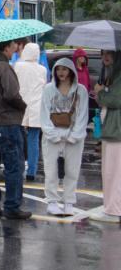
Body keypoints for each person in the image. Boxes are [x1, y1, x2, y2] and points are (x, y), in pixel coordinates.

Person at [0, 38, 32, 219]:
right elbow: (11, 94)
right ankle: (12, 207)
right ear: (6, 47)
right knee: (13, 166)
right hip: (6, 122)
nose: (15, 48)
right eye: (13, 45)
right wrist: (22, 106)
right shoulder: (3, 67)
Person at [39, 58, 89, 216]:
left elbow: (82, 115)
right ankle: (52, 202)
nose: (61, 72)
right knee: (51, 170)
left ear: (71, 71)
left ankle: (69, 202)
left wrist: (74, 136)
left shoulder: (81, 90)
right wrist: (53, 135)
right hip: (51, 137)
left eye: (65, 69)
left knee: (72, 170)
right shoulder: (48, 89)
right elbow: (44, 114)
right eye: (58, 69)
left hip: (74, 137)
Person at [92, 50, 121, 220]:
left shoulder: (118, 74)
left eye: (110, 53)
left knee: (113, 171)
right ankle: (112, 208)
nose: (105, 57)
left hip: (116, 130)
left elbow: (116, 100)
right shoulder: (112, 73)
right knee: (111, 170)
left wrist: (101, 92)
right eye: (103, 53)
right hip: (112, 128)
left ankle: (113, 210)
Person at [13, 42, 48, 181]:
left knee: (18, 139)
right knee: (33, 140)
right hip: (36, 107)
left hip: (20, 106)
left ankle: (19, 167)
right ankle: (31, 172)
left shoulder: (18, 66)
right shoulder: (42, 69)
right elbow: (44, 86)